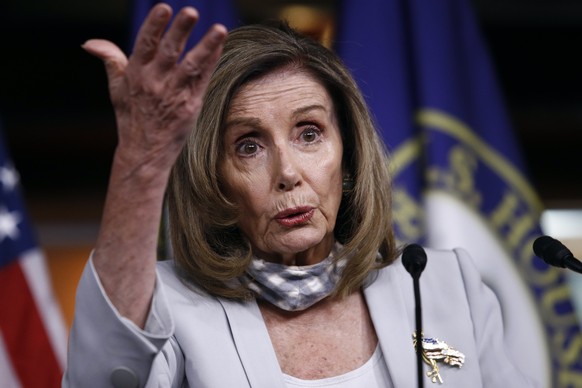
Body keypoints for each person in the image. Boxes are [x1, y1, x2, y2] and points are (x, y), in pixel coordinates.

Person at [64, 3, 538, 387]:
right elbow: (103, 379)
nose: (287, 173)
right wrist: (141, 162)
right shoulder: (166, 305)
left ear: (347, 157)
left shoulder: (443, 286)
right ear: (216, 182)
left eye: (309, 133)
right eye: (248, 145)